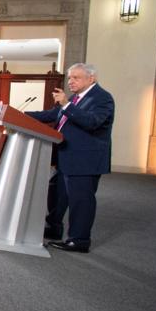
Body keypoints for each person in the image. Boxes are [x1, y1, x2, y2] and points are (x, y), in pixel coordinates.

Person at [26, 63, 114, 253]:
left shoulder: (102, 98)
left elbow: (92, 122)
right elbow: (52, 115)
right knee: (57, 194)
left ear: (91, 78)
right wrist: (20, 114)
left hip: (85, 161)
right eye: (70, 78)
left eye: (76, 78)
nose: (71, 82)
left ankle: (79, 240)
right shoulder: (76, 98)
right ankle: (54, 228)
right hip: (66, 157)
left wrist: (66, 104)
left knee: (81, 201)